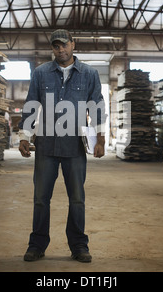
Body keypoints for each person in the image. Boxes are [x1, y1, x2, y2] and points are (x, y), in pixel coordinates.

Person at [18, 29, 106, 263]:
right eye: (56, 46)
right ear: (52, 49)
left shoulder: (89, 74)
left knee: (77, 199)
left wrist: (100, 139)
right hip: (46, 144)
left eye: (64, 45)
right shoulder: (41, 73)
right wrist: (24, 136)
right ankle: (37, 245)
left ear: (73, 45)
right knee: (40, 198)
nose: (61, 50)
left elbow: (96, 106)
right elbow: (31, 104)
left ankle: (79, 246)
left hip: (74, 146)